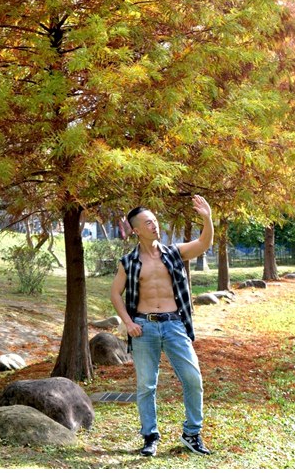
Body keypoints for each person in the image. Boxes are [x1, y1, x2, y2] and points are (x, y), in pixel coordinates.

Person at [109, 196, 214, 457]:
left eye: (155, 220)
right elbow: (115, 294)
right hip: (144, 327)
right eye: (148, 222)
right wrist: (128, 322)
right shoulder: (129, 262)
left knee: (192, 378)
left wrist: (207, 218)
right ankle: (150, 436)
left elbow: (203, 243)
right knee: (146, 385)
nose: (154, 225)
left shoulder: (175, 252)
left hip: (174, 325)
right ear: (136, 230)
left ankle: (192, 433)